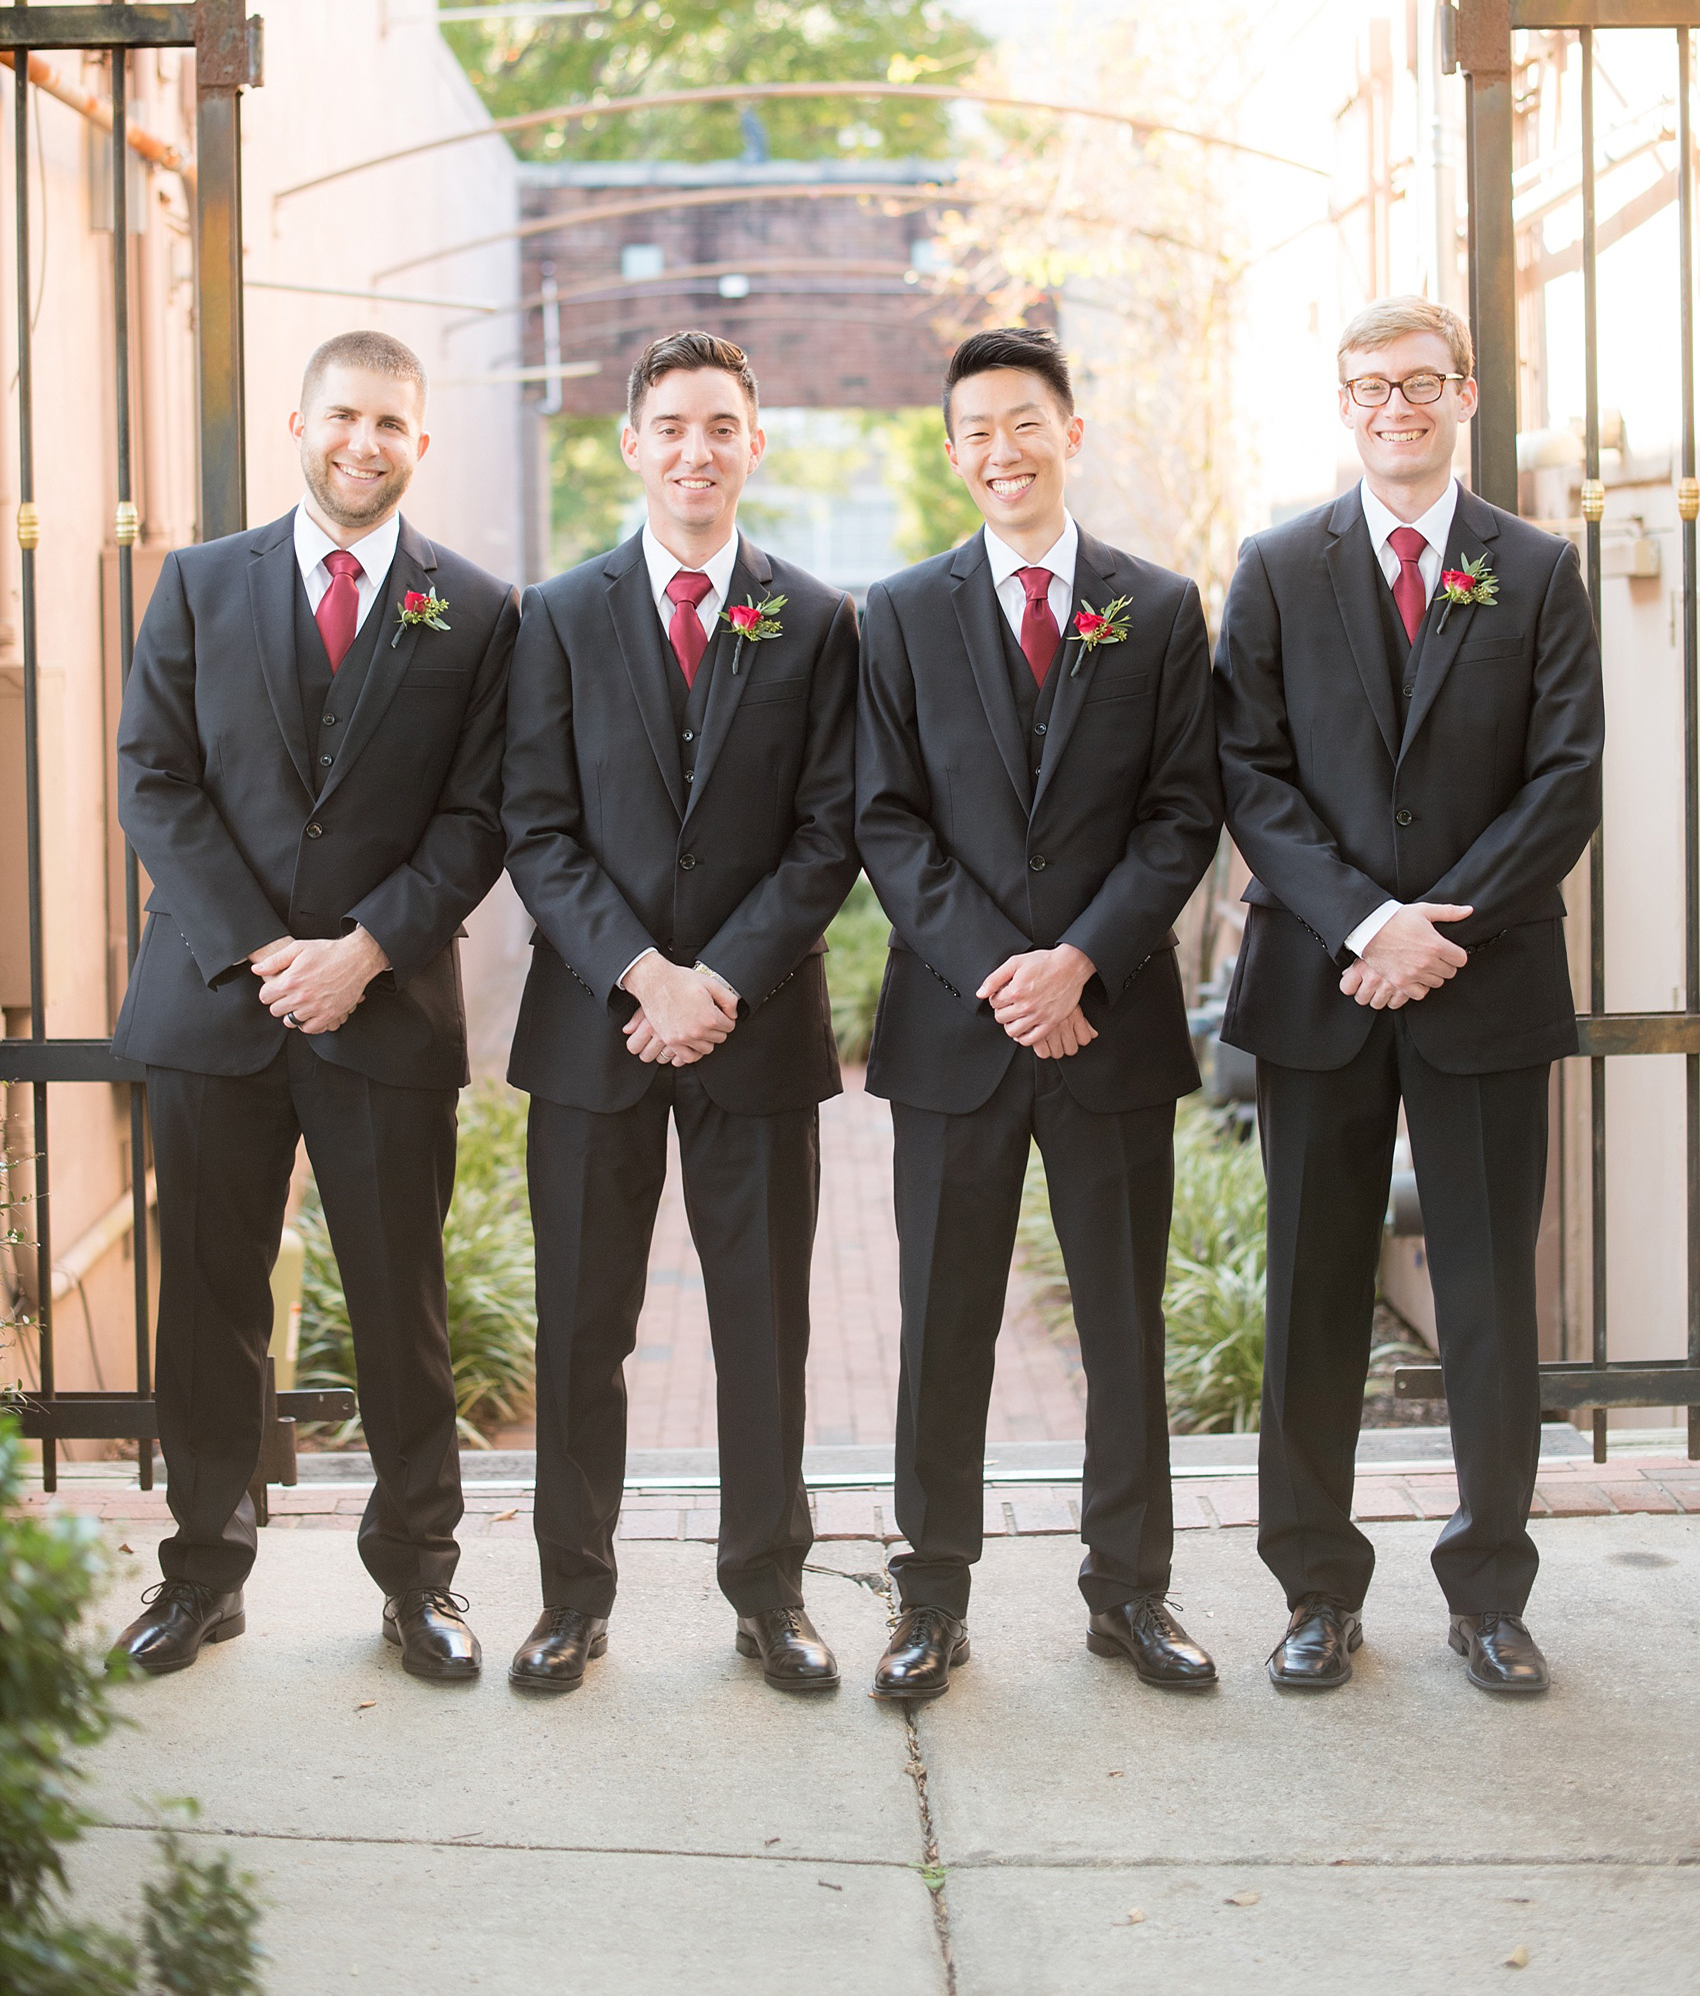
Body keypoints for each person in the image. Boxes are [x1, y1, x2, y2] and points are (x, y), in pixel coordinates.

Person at [109, 331, 519, 1682]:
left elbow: (479, 814)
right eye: (346, 415)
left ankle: (421, 1584)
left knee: (397, 1304)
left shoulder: (475, 607)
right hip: (217, 1004)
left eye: (392, 422)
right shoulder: (198, 582)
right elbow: (155, 779)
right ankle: (205, 1571)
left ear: (420, 441)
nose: (365, 441)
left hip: (384, 1011)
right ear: (298, 420)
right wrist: (264, 949)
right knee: (213, 1300)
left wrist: (364, 949)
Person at [1213, 297, 1604, 1697]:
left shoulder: (1539, 570)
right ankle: (1316, 1589)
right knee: (1315, 1294)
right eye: (1370, 387)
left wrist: (1445, 927)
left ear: (1466, 395)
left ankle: (1491, 1591)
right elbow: (1246, 770)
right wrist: (1368, 920)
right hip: (1321, 980)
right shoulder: (1273, 567)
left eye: (1420, 382)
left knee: (1492, 1298)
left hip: (1483, 981)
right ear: (1345, 405)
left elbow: (1566, 777)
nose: (1396, 406)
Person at [854, 325, 1223, 1700]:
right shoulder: (895, 613)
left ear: (1072, 431)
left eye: (1025, 422)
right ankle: (931, 1596)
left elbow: (1186, 811)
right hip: (957, 1031)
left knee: (1124, 1320)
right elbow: (885, 821)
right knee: (943, 1317)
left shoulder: (1160, 606)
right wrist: (1006, 975)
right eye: (977, 432)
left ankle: (1131, 1591)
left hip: (1109, 1022)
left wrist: (1082, 962)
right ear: (954, 455)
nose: (1001, 450)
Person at [501, 330, 860, 1697]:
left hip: (755, 1029)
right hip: (597, 1027)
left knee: (763, 1325)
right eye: (672, 425)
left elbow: (832, 833)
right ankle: (571, 1598)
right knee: (581, 1325)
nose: (697, 449)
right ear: (633, 446)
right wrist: (642, 971)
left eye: (723, 425)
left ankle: (769, 1594)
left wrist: (722, 980)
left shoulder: (821, 619)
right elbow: (536, 825)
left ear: (753, 445)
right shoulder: (557, 615)